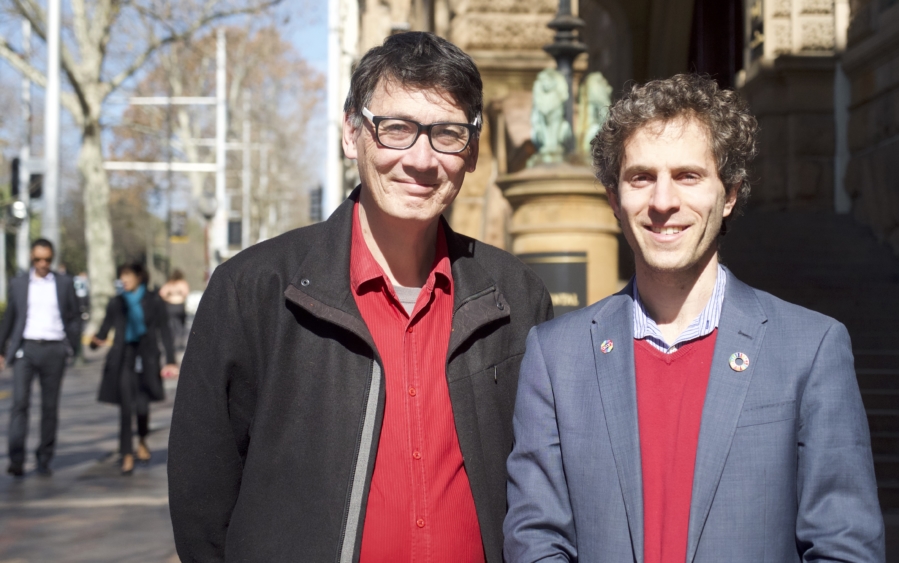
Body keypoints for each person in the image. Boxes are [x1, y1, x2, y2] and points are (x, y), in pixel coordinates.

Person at [168, 31, 553, 562]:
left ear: (472, 151)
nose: (420, 160)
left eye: (447, 134)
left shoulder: (515, 296)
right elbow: (201, 503)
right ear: (352, 134)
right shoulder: (254, 291)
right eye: (396, 129)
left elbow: (539, 487)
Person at [503, 75, 885, 562]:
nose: (663, 202)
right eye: (641, 177)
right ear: (613, 200)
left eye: (688, 176)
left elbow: (844, 545)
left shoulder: (810, 349)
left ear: (728, 195)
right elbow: (535, 538)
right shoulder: (556, 357)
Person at [0, 239, 81, 477]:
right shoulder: (18, 283)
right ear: (31, 259)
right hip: (26, 348)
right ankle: (16, 459)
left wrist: (71, 346)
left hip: (55, 349)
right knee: (19, 405)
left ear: (52, 259)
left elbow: (75, 316)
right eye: (38, 259)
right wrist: (2, 350)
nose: (43, 264)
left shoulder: (65, 283)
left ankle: (44, 458)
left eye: (47, 259)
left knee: (50, 407)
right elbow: (9, 319)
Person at [91, 262, 178, 475]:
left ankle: (142, 439)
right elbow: (105, 328)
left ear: (140, 277)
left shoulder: (153, 300)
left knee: (141, 407)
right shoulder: (117, 302)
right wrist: (95, 341)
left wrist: (170, 359)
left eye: (128, 275)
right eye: (122, 276)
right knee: (125, 408)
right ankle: (127, 454)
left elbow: (164, 330)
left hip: (146, 358)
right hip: (123, 358)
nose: (125, 280)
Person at [158, 269, 189, 353]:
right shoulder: (182, 283)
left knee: (172, 324)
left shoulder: (169, 284)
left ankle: (174, 340)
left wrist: (169, 297)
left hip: (170, 306)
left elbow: (162, 293)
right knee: (180, 324)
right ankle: (178, 340)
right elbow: (185, 292)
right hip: (179, 305)